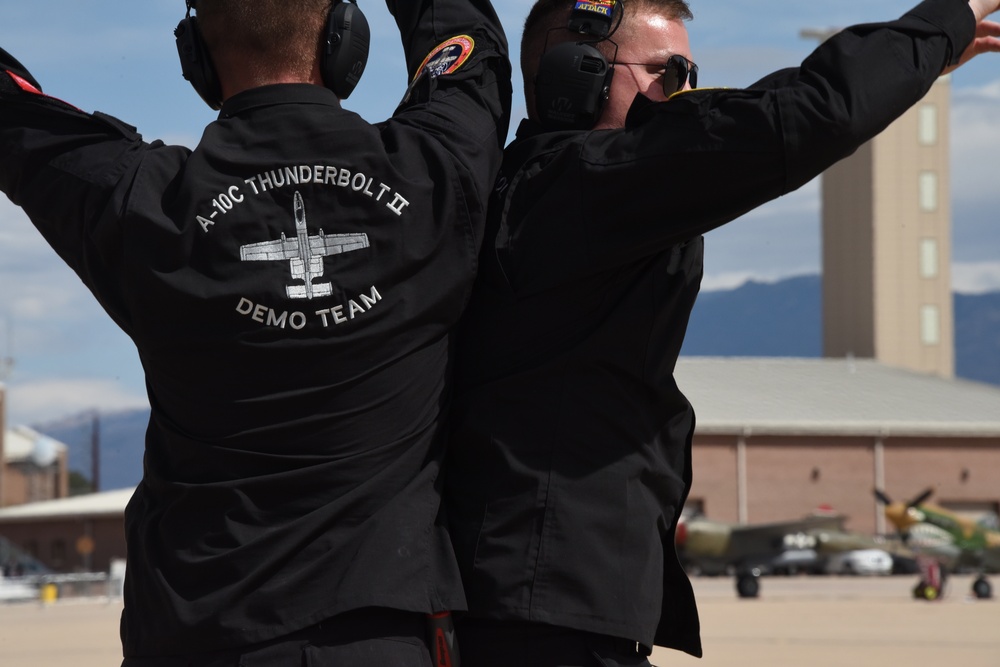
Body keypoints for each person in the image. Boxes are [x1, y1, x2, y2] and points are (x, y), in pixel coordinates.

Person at [444, 0, 1000, 664]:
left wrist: (912, 64)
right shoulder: (587, 185)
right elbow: (802, 116)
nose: (683, 95)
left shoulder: (530, 185)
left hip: (533, 592)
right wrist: (942, 24)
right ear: (577, 72)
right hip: (547, 602)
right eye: (669, 73)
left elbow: (765, 118)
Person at [0, 0, 510, 664]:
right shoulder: (434, 173)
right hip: (374, 630)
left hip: (200, 633)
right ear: (344, 43)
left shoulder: (142, 201)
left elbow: (15, 117)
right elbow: (469, 46)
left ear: (196, 59)